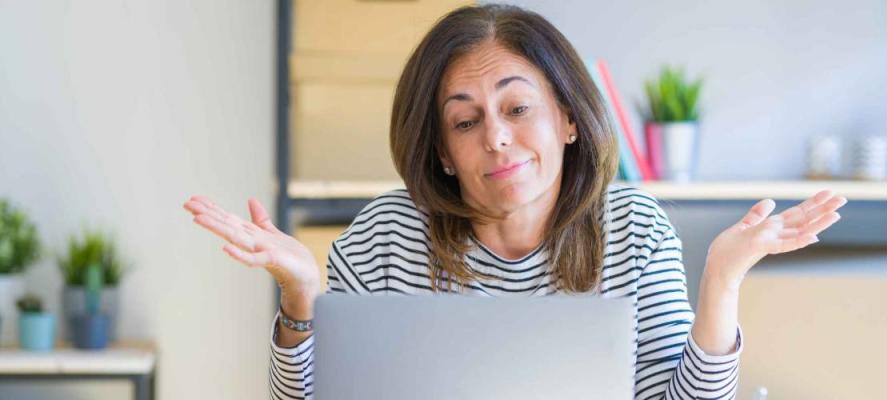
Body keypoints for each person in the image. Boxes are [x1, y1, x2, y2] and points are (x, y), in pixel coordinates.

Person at [182, 4, 847, 400]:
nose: (497, 137)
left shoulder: (634, 229)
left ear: (567, 119)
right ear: (442, 151)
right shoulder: (385, 234)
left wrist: (721, 281)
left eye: (517, 107)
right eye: (465, 122)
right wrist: (300, 297)